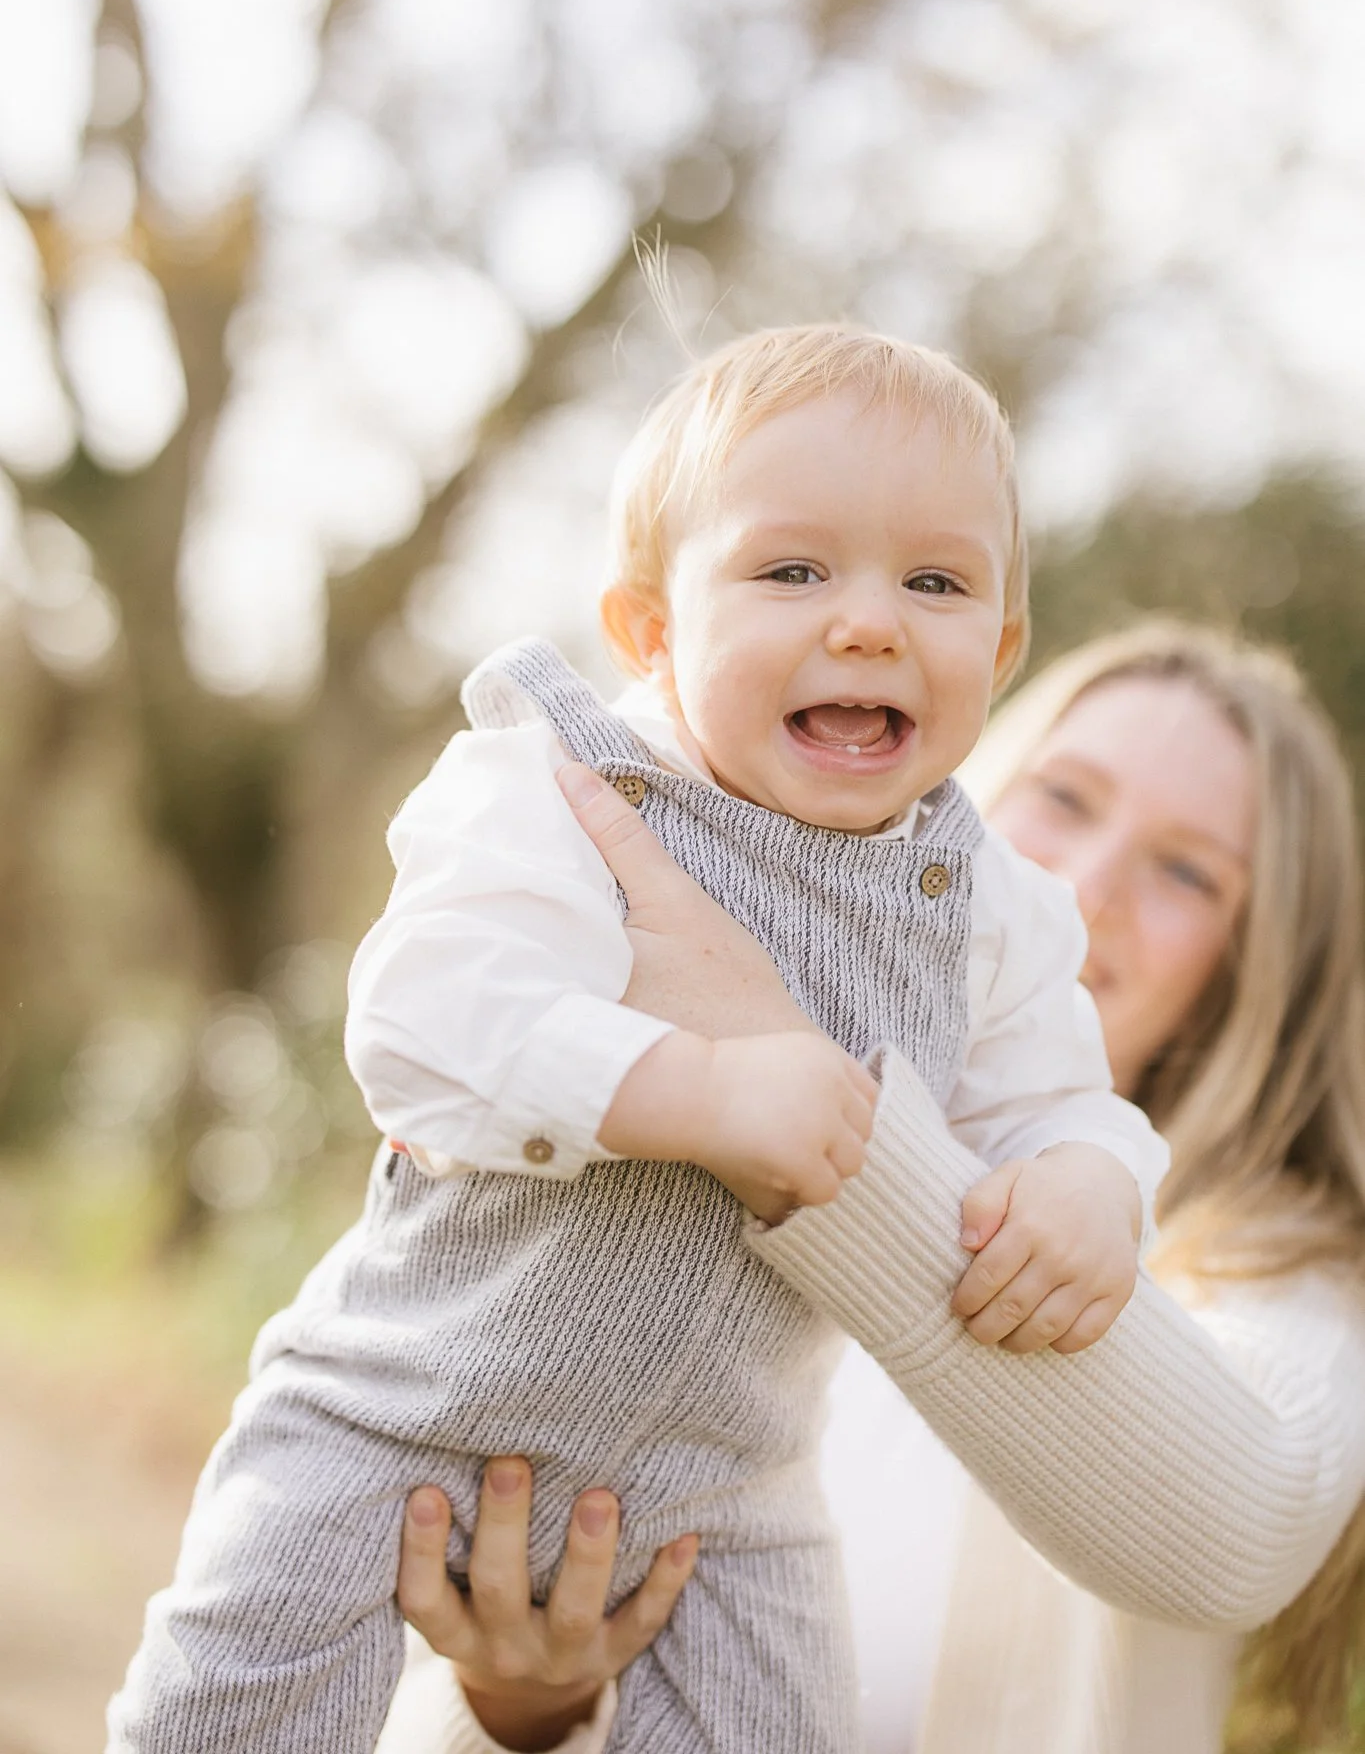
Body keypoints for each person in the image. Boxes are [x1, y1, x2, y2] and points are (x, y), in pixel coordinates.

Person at [107, 328, 1166, 1754]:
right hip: (396, 1412)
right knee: (231, 1707)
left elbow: (1061, 1104)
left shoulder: (989, 908)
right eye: (792, 570)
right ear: (652, 630)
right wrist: (702, 1087)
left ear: (1002, 645)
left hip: (722, 1494)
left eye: (936, 581)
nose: (868, 624)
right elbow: (425, 1016)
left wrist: (1090, 1182)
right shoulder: (556, 789)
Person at [385, 621, 1365, 1754]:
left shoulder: (1283, 1262)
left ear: (1252, 958)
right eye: (1065, 796)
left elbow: (1240, 1528)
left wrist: (785, 1080)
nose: (1085, 889)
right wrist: (523, 1704)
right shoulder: (658, 1160)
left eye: (1188, 870)